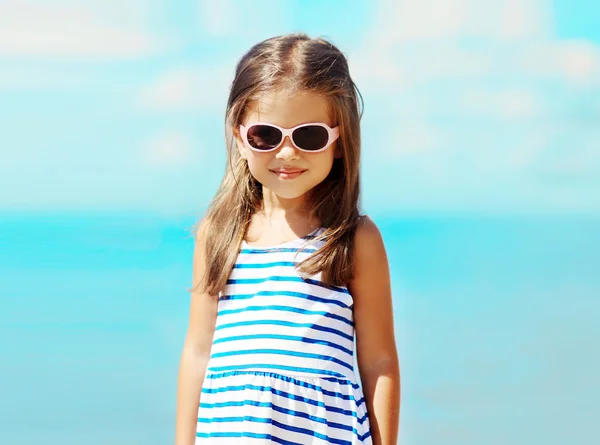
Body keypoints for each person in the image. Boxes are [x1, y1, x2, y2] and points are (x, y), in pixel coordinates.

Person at [175, 32, 400, 445]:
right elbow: (197, 353)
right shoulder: (220, 232)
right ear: (241, 137)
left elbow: (379, 361)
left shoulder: (351, 239)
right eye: (267, 135)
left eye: (309, 136)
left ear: (339, 140)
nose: (287, 153)